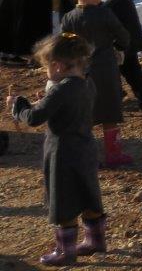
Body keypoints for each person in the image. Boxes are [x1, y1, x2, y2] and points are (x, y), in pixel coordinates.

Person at [7, 32, 108, 265]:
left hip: (62, 153)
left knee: (63, 200)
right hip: (85, 148)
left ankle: (66, 251)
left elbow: (33, 118)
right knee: (87, 193)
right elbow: (65, 107)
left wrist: (18, 104)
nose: (46, 73)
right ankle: (96, 240)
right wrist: (47, 99)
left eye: (46, 68)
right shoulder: (87, 82)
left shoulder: (60, 90)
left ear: (58, 66)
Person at [59, 0, 132, 168]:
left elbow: (64, 45)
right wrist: (121, 46)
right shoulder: (104, 14)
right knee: (109, 113)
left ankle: (84, 155)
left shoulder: (68, 18)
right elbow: (123, 35)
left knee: (84, 114)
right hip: (105, 67)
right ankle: (113, 153)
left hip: (79, 70)